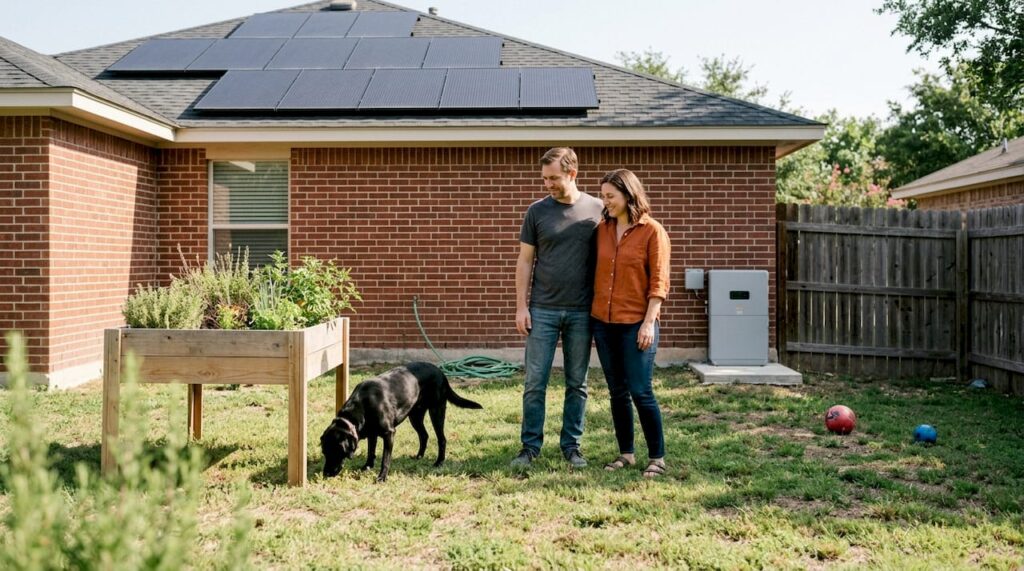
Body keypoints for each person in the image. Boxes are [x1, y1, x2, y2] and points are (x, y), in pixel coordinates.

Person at [511, 147, 604, 468]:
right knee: (535, 382)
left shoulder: (598, 208)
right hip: (543, 310)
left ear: (572, 173)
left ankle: (572, 446)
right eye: (544, 178)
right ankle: (529, 447)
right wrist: (521, 307)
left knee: (577, 383)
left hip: (582, 311)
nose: (547, 184)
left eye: (553, 178)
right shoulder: (536, 211)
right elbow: (525, 261)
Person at [590, 169, 670, 478]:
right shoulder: (602, 230)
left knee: (640, 390)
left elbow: (659, 284)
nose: (605, 201)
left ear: (628, 195)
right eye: (603, 195)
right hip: (603, 322)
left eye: (610, 196)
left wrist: (649, 323)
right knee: (617, 392)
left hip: (637, 323)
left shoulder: (652, 231)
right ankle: (626, 454)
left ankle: (657, 457)